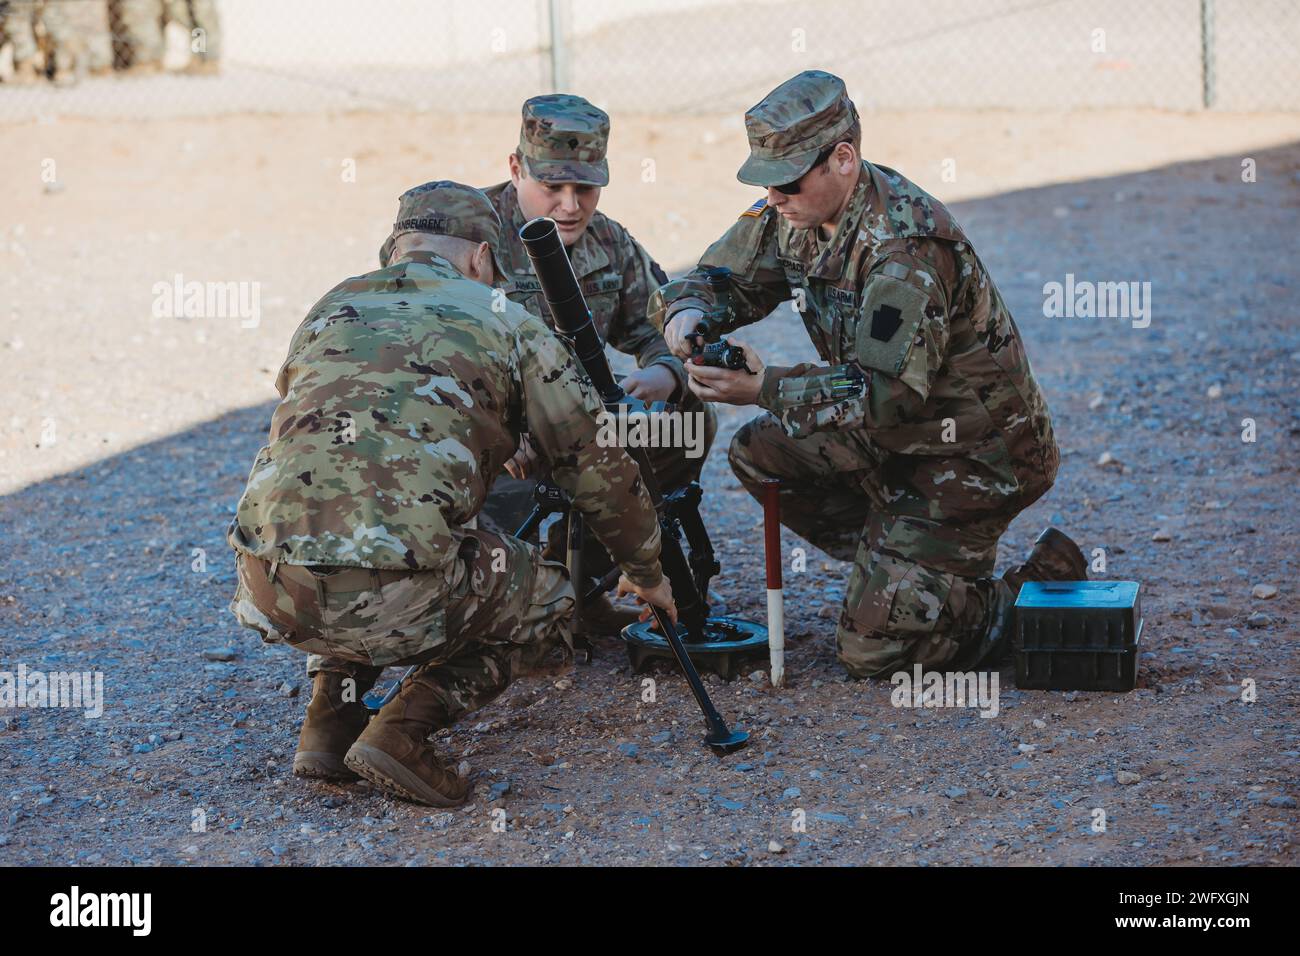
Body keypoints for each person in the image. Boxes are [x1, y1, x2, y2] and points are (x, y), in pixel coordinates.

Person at [228, 181, 674, 807]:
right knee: (548, 596)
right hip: (394, 589)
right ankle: (401, 736)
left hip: (269, 582)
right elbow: (591, 458)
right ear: (481, 258)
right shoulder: (504, 317)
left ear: (395, 249)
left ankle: (329, 727)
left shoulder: (332, 304)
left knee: (353, 518)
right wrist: (646, 569)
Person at [653, 70, 1086, 680]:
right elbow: (722, 278)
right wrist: (688, 314)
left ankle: (1021, 591)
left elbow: (884, 399)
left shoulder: (903, 252)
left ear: (844, 159)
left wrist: (766, 387)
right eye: (766, 183)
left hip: (974, 457)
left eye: (786, 182)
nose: (773, 198)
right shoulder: (799, 209)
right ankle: (908, 571)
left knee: (874, 653)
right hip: (898, 437)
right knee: (761, 452)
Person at [384, 94, 717, 633]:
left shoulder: (609, 241)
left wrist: (665, 372)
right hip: (489, 439)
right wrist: (494, 430)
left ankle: (585, 580)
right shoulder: (466, 235)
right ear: (516, 168)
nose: (569, 205)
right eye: (552, 187)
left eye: (585, 188)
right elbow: (406, 354)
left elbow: (659, 322)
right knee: (496, 593)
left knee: (687, 422)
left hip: (574, 431)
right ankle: (487, 602)